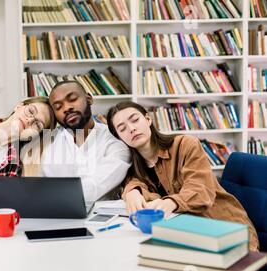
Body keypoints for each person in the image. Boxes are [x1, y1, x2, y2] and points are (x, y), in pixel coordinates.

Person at [107, 101, 259, 251]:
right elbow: (135, 184)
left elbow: (201, 191)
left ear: (148, 119)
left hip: (227, 231)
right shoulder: (132, 167)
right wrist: (132, 191)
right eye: (122, 129)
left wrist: (170, 203)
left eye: (135, 120)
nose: (132, 128)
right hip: (187, 235)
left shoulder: (185, 145)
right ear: (119, 137)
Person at [41, 80, 131, 202]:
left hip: (104, 217)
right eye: (58, 107)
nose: (67, 108)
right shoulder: (46, 143)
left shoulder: (115, 139)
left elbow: (96, 186)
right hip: (56, 216)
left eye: (72, 99)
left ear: (89, 98)